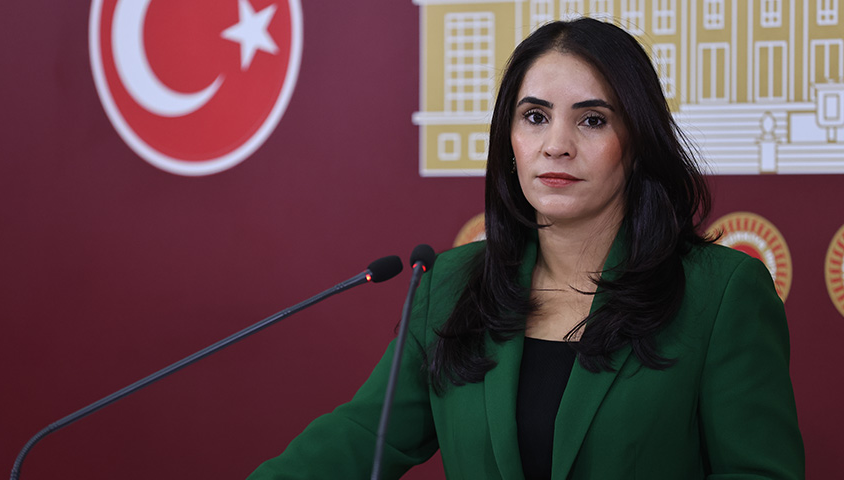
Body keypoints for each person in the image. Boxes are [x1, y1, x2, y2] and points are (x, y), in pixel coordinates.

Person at [249, 18, 804, 480]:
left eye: (592, 120)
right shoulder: (450, 286)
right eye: (535, 117)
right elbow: (363, 436)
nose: (556, 145)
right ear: (509, 141)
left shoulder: (720, 293)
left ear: (636, 143)